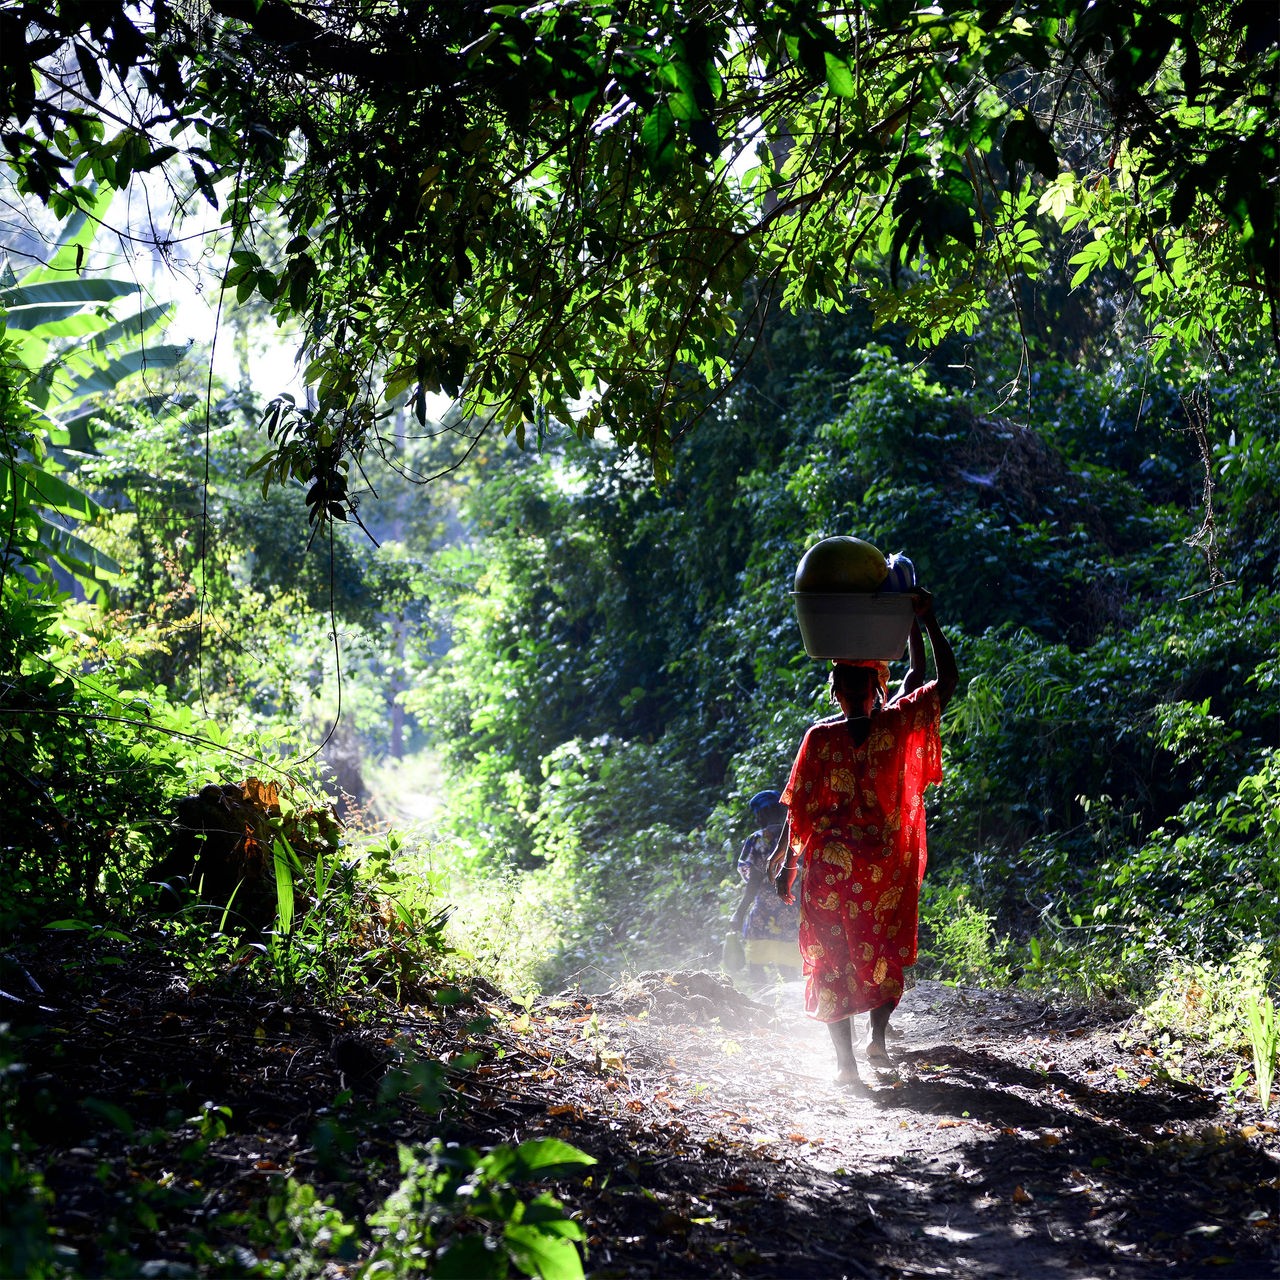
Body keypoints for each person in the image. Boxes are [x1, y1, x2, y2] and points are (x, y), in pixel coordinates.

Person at [768, 589, 957, 1087]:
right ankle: (877, 1039)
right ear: (879, 688)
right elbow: (943, 680)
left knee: (830, 962)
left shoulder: (819, 738)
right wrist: (926, 620)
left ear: (834, 691)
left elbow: (798, 810)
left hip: (829, 875)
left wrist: (785, 863)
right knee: (881, 954)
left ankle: (845, 1065)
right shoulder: (894, 727)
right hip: (882, 877)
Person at [729, 790, 801, 985]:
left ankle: (762, 1006)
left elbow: (753, 881)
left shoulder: (758, 839)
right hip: (792, 909)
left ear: (761, 814)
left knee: (756, 963)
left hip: (764, 912)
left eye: (757, 815)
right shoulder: (797, 834)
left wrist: (739, 913)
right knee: (788, 967)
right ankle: (789, 1008)